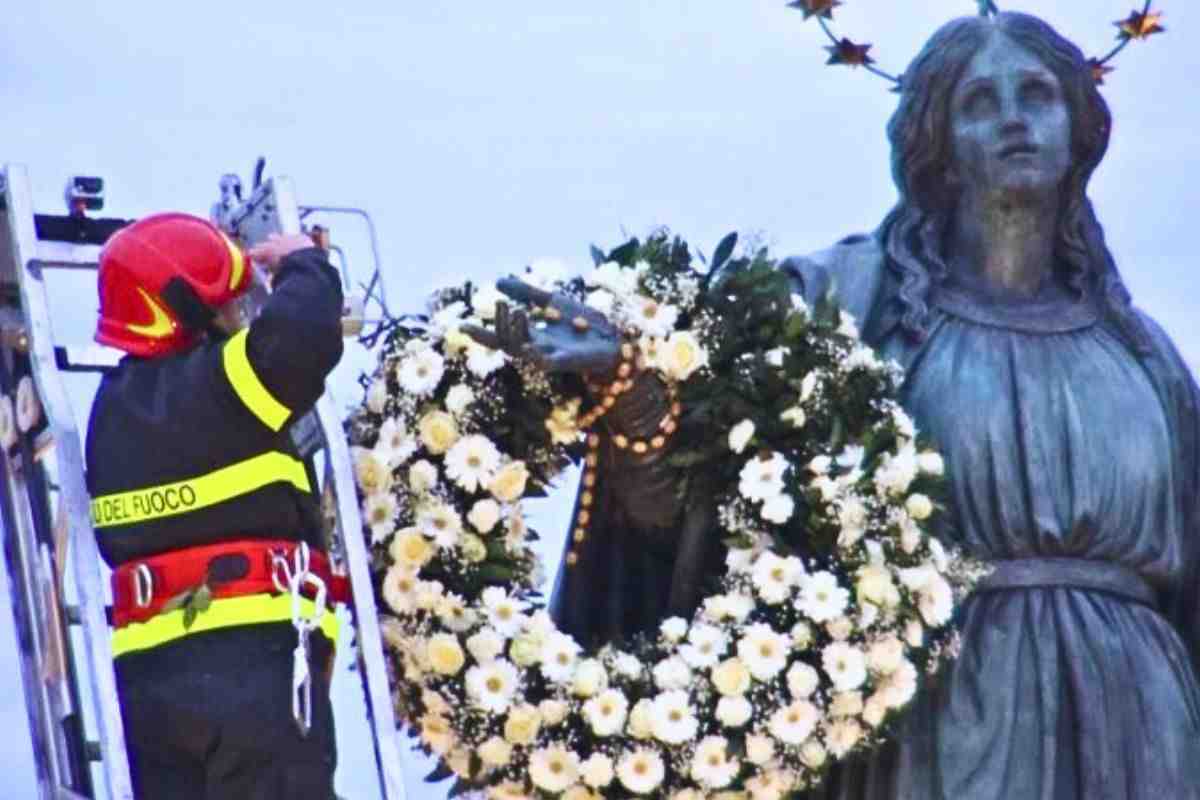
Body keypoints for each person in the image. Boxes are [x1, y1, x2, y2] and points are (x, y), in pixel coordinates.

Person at [477, 11, 1200, 798]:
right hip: (939, 718)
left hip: (1141, 725)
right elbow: (706, 501)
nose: (1015, 118)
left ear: (1078, 129)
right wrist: (636, 393)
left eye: (1038, 95)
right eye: (980, 102)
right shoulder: (848, 314)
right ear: (942, 149)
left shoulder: (1143, 355)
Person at [85, 213, 347, 799]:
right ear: (188, 311)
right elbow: (303, 334)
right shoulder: (225, 385)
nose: (238, 314)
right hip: (252, 673)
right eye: (228, 303)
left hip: (149, 687)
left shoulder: (111, 413)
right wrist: (304, 260)